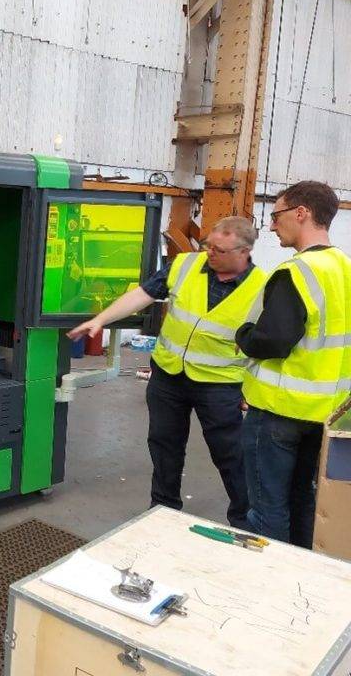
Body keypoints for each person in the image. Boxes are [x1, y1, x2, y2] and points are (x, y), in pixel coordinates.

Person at [68, 217, 266, 527]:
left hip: (219, 384)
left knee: (230, 454)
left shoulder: (263, 288)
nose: (209, 252)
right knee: (164, 443)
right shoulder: (185, 265)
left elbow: (264, 345)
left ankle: (245, 519)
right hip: (168, 376)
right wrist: (101, 320)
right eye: (208, 245)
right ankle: (163, 507)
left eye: (218, 249)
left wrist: (252, 391)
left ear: (244, 252)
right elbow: (142, 295)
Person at [236, 181, 351, 548]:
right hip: (326, 415)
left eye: (276, 215)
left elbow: (272, 341)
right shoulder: (345, 268)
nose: (271, 226)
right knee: (304, 503)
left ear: (301, 213)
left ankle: (267, 587)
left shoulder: (297, 272)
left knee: (267, 510)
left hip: (278, 411)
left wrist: (243, 335)